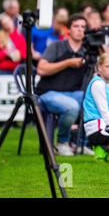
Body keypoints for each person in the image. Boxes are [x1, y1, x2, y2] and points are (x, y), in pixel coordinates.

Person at [35, 14, 94, 156]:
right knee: (72, 106)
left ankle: (81, 143)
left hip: (73, 93)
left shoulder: (87, 51)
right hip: (48, 92)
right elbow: (41, 69)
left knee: (92, 100)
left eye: (83, 27)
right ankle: (62, 142)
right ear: (68, 29)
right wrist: (67, 63)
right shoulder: (57, 46)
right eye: (76, 26)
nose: (80, 30)